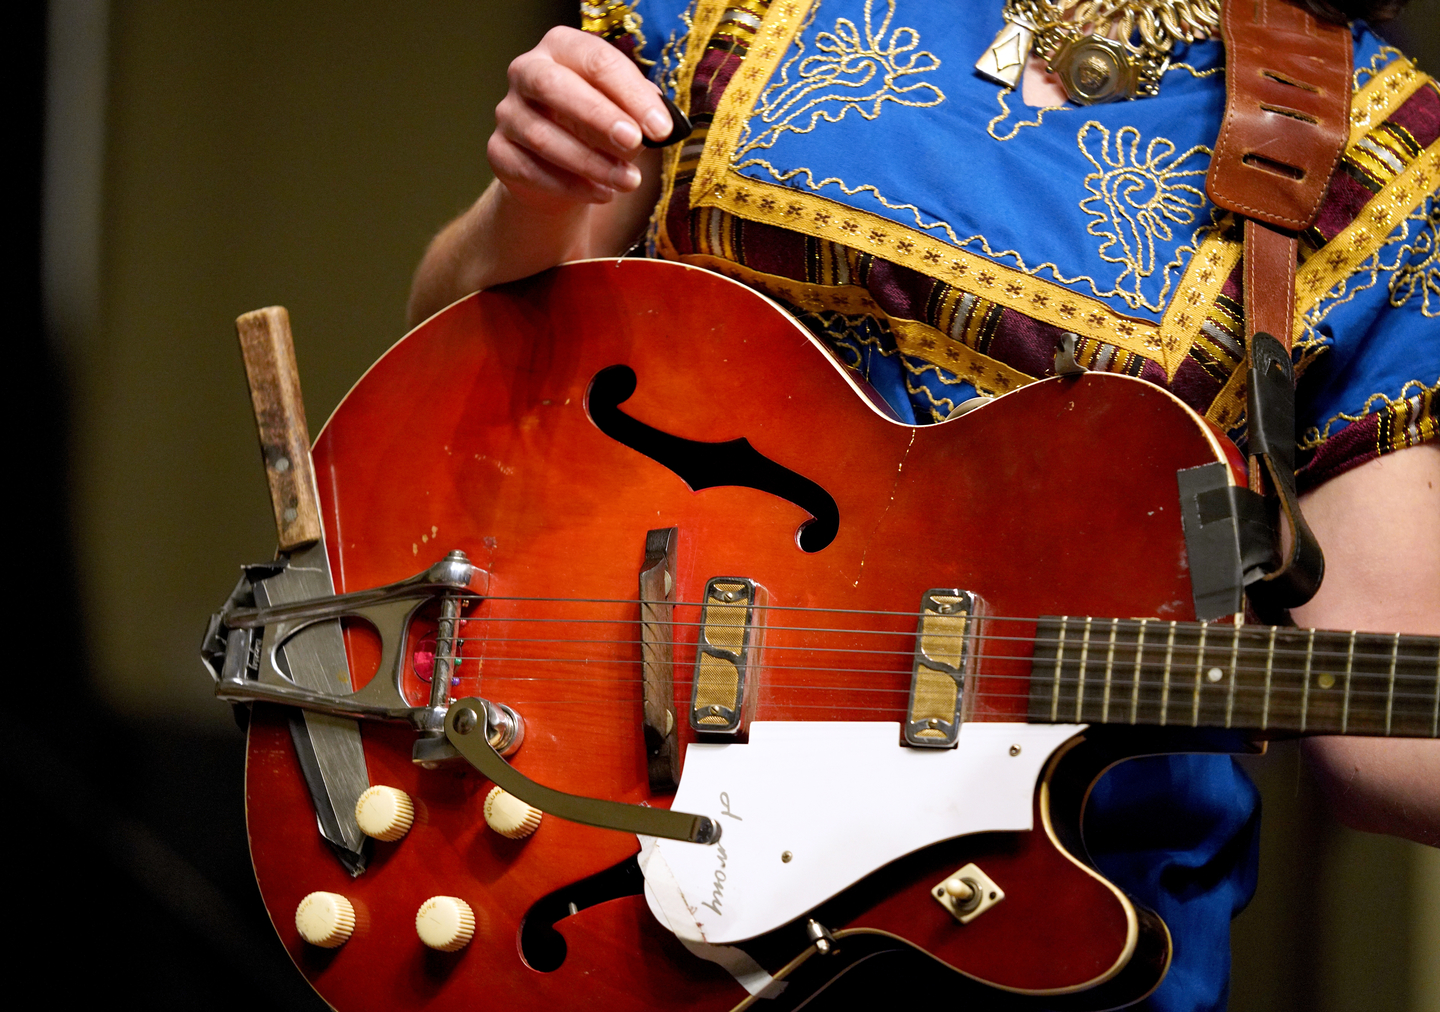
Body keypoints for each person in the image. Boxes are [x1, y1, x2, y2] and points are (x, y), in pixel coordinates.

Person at [408, 2, 1440, 1008]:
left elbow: (1384, 731)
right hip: (591, 826)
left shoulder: (1385, 152)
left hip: (1009, 926)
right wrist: (529, 202)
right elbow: (455, 372)